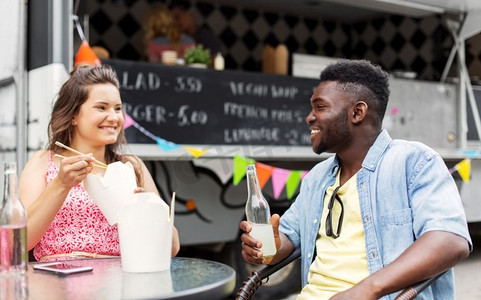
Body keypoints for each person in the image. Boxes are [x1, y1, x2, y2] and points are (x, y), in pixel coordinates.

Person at [240, 59, 472, 299]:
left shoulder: (413, 162)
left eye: (320, 107)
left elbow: (451, 240)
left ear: (357, 112)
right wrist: (271, 247)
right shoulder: (317, 177)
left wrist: (366, 290)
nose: (309, 117)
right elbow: (289, 236)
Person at [19, 64, 180, 262]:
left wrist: (150, 208)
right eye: (101, 107)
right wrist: (60, 185)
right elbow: (19, 242)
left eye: (118, 109)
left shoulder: (131, 166)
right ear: (74, 115)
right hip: (56, 283)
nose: (113, 117)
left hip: (119, 282)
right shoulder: (44, 162)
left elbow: (172, 248)